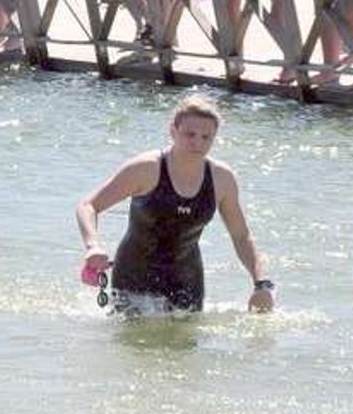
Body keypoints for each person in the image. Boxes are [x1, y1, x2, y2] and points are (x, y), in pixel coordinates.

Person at [76, 95, 274, 314]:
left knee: (186, 347)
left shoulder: (221, 179)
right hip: (134, 276)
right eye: (190, 134)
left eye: (206, 137)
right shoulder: (146, 168)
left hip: (187, 280)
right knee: (134, 347)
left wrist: (261, 284)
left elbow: (241, 236)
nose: (197, 143)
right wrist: (93, 245)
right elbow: (88, 206)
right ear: (173, 131)